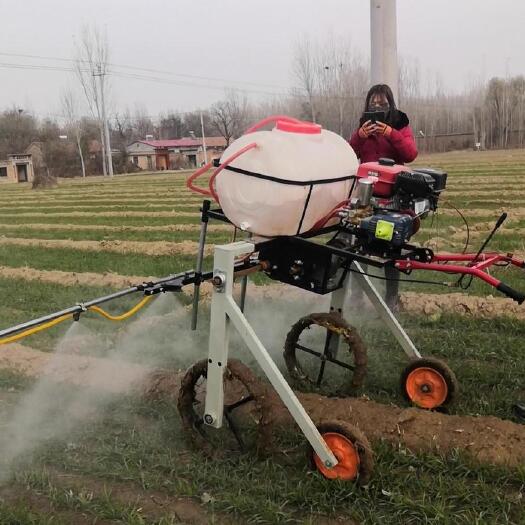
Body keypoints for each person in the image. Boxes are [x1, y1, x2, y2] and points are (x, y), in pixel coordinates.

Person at [348, 84, 418, 310]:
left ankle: (391, 298)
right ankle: (357, 296)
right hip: (367, 194)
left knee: (392, 243)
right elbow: (350, 154)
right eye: (373, 103)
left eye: (382, 103)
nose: (377, 107)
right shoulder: (363, 126)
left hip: (394, 194)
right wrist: (360, 136)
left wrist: (390, 133)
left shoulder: (399, 122)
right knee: (361, 241)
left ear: (391, 104)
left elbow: (410, 153)